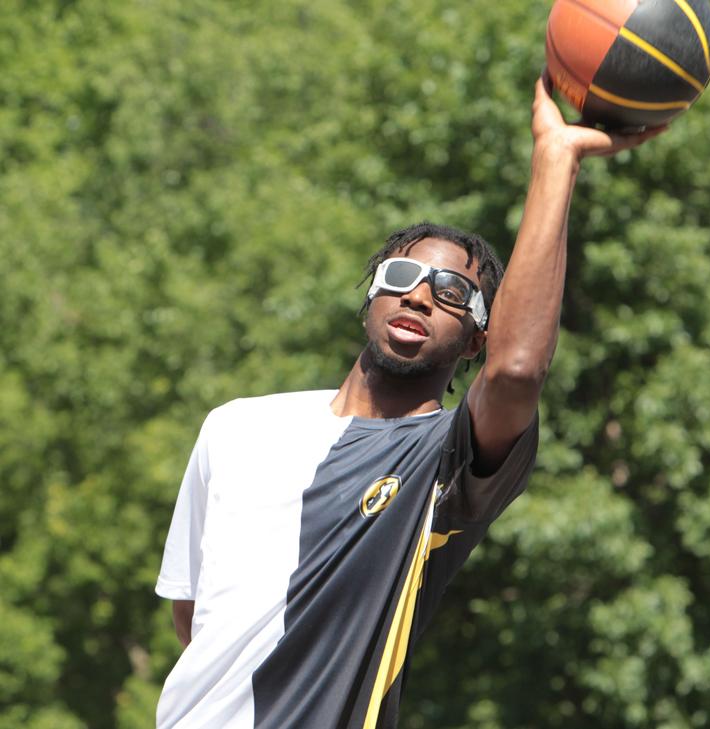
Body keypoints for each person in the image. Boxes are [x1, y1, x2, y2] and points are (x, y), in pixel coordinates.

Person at [154, 75, 664, 728]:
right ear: (372, 295)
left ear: (476, 338)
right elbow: (193, 615)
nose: (421, 295)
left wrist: (556, 158)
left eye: (453, 291)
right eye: (402, 276)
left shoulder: (446, 460)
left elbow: (517, 372)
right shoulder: (234, 428)